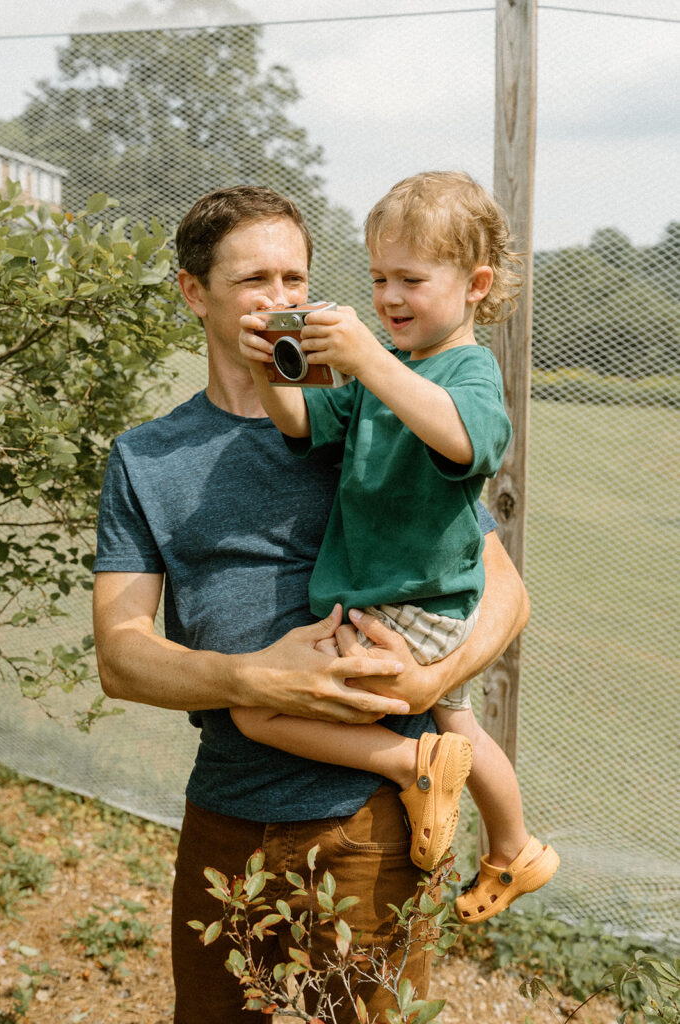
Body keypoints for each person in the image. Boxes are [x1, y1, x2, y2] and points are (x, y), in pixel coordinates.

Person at [92, 183, 530, 1024]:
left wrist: (426, 683)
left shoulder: (378, 416)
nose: (281, 298)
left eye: (294, 278)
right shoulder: (146, 458)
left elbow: (505, 593)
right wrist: (251, 680)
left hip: (369, 826)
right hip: (224, 815)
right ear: (194, 292)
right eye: (254, 280)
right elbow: (120, 655)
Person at [237, 171, 558, 922]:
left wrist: (368, 359)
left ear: (476, 285)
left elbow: (468, 441)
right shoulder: (385, 370)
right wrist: (266, 366)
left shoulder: (467, 371)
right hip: (413, 602)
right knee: (457, 719)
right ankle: (516, 849)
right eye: (379, 278)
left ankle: (417, 769)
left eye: (411, 279)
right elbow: (302, 424)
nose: (388, 297)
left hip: (409, 607)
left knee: (258, 707)